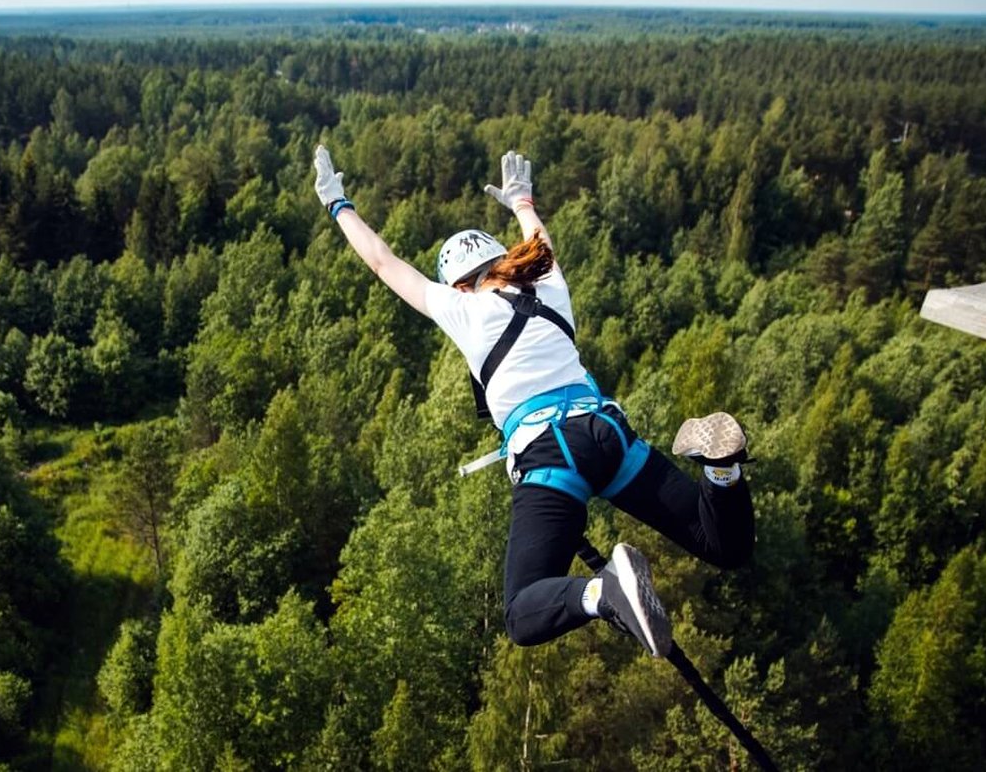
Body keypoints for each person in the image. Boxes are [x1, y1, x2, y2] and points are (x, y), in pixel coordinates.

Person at [313, 145, 755, 658]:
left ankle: (602, 592)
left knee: (523, 613)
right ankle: (722, 471)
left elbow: (381, 259)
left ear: (460, 280)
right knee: (724, 546)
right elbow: (537, 239)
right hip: (607, 434)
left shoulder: (462, 307)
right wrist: (521, 200)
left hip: (550, 453)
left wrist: (337, 204)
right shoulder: (549, 284)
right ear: (501, 261)